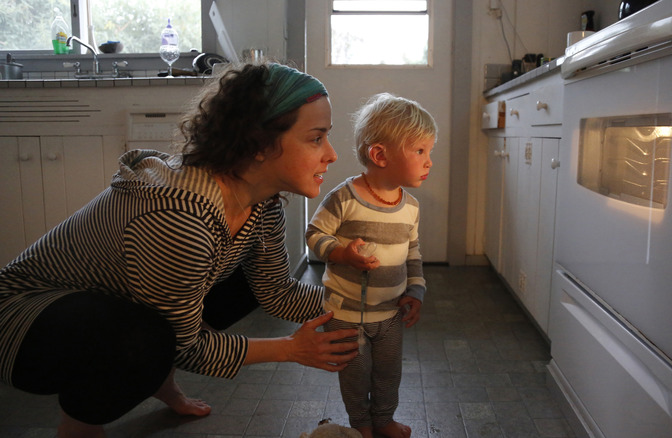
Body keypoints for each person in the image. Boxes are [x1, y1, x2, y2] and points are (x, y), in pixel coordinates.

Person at [0, 61, 359, 437]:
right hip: (23, 322)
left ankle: (160, 384)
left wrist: (366, 308)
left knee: (241, 285)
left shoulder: (262, 203)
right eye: (316, 138)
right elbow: (186, 346)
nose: (331, 154)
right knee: (149, 341)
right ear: (258, 144)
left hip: (112, 305)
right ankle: (79, 426)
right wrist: (291, 349)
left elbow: (275, 290)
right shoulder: (181, 217)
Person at [305, 93, 437, 438]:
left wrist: (416, 290)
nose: (429, 162)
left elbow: (413, 252)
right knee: (354, 373)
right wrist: (341, 253)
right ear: (380, 155)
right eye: (420, 151)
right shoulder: (344, 198)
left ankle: (383, 419)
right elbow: (315, 234)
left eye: (429, 152)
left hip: (390, 313)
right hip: (346, 313)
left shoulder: (410, 207)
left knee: (388, 373)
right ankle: (361, 425)